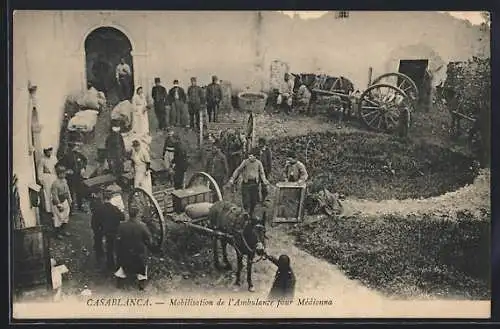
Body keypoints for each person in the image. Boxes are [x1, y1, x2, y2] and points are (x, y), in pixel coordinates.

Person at [115, 205, 153, 290]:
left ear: (129, 214)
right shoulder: (142, 226)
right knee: (142, 267)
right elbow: (149, 239)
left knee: (122, 266)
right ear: (138, 214)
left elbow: (117, 240)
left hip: (125, 253)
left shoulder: (122, 226)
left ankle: (120, 282)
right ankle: (141, 284)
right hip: (138, 253)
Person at [228, 148, 270, 218]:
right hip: (246, 184)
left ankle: (251, 212)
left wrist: (264, 180)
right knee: (246, 200)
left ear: (255, 157)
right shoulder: (245, 162)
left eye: (251, 156)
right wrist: (232, 178)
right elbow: (238, 170)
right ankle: (246, 213)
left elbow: (262, 173)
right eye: (249, 156)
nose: (249, 157)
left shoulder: (259, 163)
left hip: (254, 184)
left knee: (254, 200)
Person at [91, 188, 125, 270]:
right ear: (110, 198)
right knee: (113, 247)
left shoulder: (98, 209)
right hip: (113, 230)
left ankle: (104, 261)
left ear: (103, 199)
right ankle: (114, 264)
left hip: (102, 230)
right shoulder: (115, 208)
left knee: (104, 246)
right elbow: (122, 218)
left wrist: (97, 231)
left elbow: (93, 222)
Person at [58, 142, 87, 213]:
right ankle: (71, 209)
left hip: (79, 176)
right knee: (70, 193)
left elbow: (85, 160)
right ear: (70, 148)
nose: (76, 147)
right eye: (74, 146)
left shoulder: (79, 155)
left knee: (80, 191)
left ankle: (80, 206)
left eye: (76, 146)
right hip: (71, 177)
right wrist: (66, 170)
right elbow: (59, 165)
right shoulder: (66, 156)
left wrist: (83, 168)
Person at [51, 165, 72, 239]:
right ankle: (57, 233)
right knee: (58, 218)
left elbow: (68, 190)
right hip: (58, 202)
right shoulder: (55, 183)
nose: (64, 175)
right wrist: (59, 205)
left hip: (65, 200)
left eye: (64, 173)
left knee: (65, 216)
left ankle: (63, 230)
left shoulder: (65, 181)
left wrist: (70, 199)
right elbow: (54, 195)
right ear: (58, 174)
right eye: (62, 173)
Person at [38, 146, 58, 214]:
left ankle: (55, 208)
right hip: (46, 178)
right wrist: (41, 179)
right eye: (47, 151)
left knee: (54, 192)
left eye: (50, 150)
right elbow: (40, 170)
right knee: (48, 193)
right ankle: (49, 209)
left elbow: (57, 167)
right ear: (45, 152)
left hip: (54, 177)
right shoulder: (42, 160)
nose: (49, 152)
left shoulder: (54, 158)